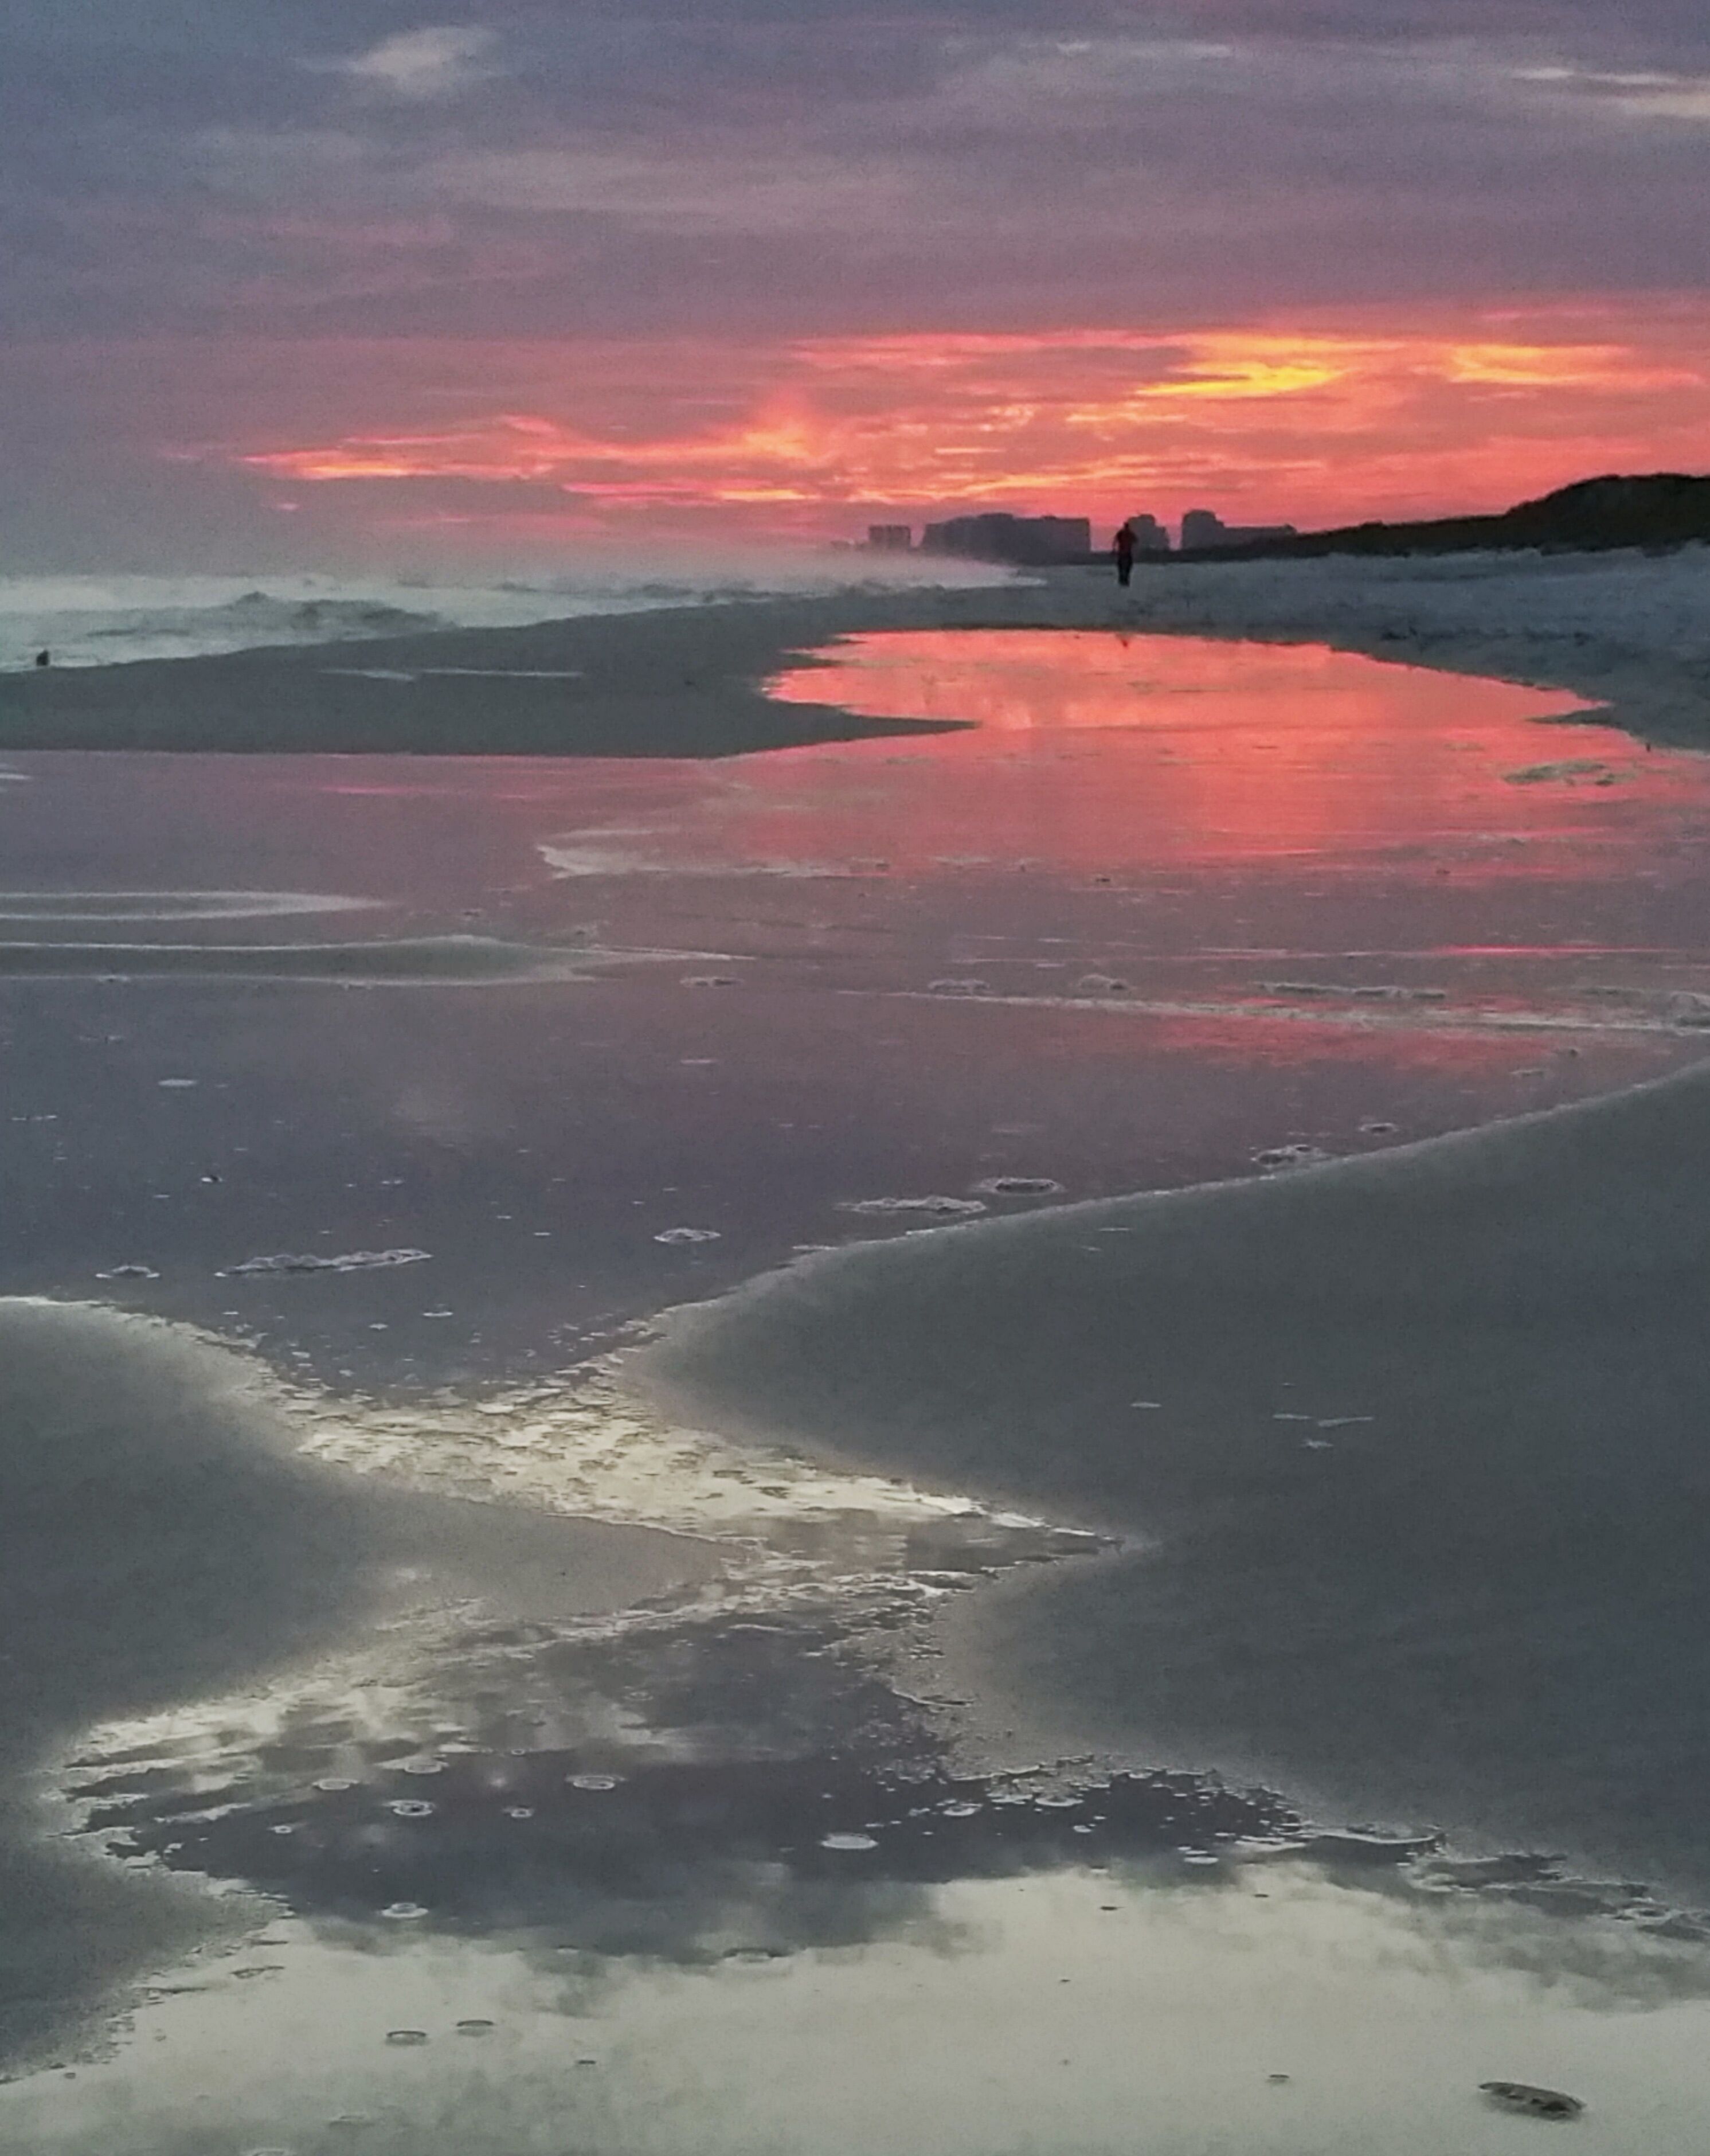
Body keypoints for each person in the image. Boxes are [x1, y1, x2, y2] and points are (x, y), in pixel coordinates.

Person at [1112, 524, 1136, 588]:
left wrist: (1114, 549)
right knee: (1127, 566)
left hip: (1123, 552)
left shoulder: (1122, 533)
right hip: (1126, 552)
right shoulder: (1129, 534)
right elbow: (1136, 541)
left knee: (1122, 566)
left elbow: (1115, 541)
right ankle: (1124, 579)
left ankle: (1123, 579)